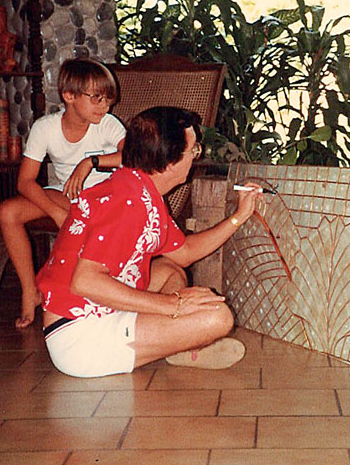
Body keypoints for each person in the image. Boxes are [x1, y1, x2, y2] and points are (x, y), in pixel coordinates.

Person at [37, 106, 261, 377]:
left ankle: (177, 342)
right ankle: (180, 341)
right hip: (78, 337)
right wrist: (174, 306)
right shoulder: (130, 204)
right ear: (169, 162)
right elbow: (85, 281)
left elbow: (185, 252)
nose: (195, 158)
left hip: (90, 311)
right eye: (194, 152)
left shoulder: (136, 186)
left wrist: (239, 216)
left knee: (170, 272)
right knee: (218, 317)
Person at [0, 58, 126, 329]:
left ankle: (89, 292)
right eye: (97, 98)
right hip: (67, 195)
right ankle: (29, 290)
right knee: (8, 211)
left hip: (105, 196)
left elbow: (132, 156)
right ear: (69, 96)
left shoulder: (107, 124)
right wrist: (55, 211)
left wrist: (89, 162)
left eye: (108, 100)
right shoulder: (45, 127)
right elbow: (25, 181)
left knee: (80, 212)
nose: (105, 106)